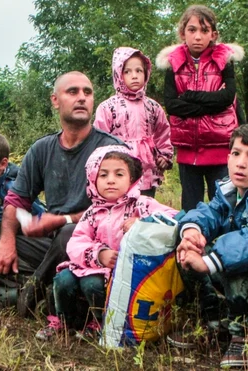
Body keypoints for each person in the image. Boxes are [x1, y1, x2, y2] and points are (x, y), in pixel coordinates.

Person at [0, 72, 123, 312]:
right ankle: (48, 292)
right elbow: (15, 201)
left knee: (69, 232)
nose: (82, 98)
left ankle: (29, 294)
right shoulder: (42, 149)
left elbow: (121, 210)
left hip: (97, 247)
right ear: (55, 100)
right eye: (73, 92)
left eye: (88, 92)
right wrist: (7, 242)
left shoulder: (110, 149)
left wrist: (62, 219)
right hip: (53, 248)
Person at [169, 123, 248, 368]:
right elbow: (209, 213)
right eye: (236, 153)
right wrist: (193, 231)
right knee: (183, 243)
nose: (241, 163)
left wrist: (209, 262)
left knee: (232, 266)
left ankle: (242, 333)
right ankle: (212, 318)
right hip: (229, 259)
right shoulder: (229, 188)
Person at [36, 146, 178, 341]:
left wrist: (143, 222)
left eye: (119, 174)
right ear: (94, 180)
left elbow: (173, 216)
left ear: (131, 179)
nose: (110, 180)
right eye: (103, 175)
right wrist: (98, 254)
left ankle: (100, 323)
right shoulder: (92, 212)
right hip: (89, 265)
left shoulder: (141, 204)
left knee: (92, 284)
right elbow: (76, 242)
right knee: (63, 280)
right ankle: (64, 322)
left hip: (122, 273)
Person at [156, 5, 244, 211]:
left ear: (213, 34)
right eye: (192, 30)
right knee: (190, 209)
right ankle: (190, 243)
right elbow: (172, 105)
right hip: (188, 149)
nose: (198, 36)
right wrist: (211, 104)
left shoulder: (225, 61)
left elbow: (226, 98)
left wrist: (189, 97)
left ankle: (222, 243)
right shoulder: (173, 63)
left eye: (204, 31)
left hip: (220, 147)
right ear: (182, 32)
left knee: (222, 207)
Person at [93, 47, 173, 198]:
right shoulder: (108, 107)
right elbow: (99, 139)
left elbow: (163, 132)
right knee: (121, 210)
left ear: (146, 73)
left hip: (147, 169)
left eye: (139, 71)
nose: (134, 76)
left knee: (145, 207)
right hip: (119, 170)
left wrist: (164, 156)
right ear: (118, 74)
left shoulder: (153, 107)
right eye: (127, 72)